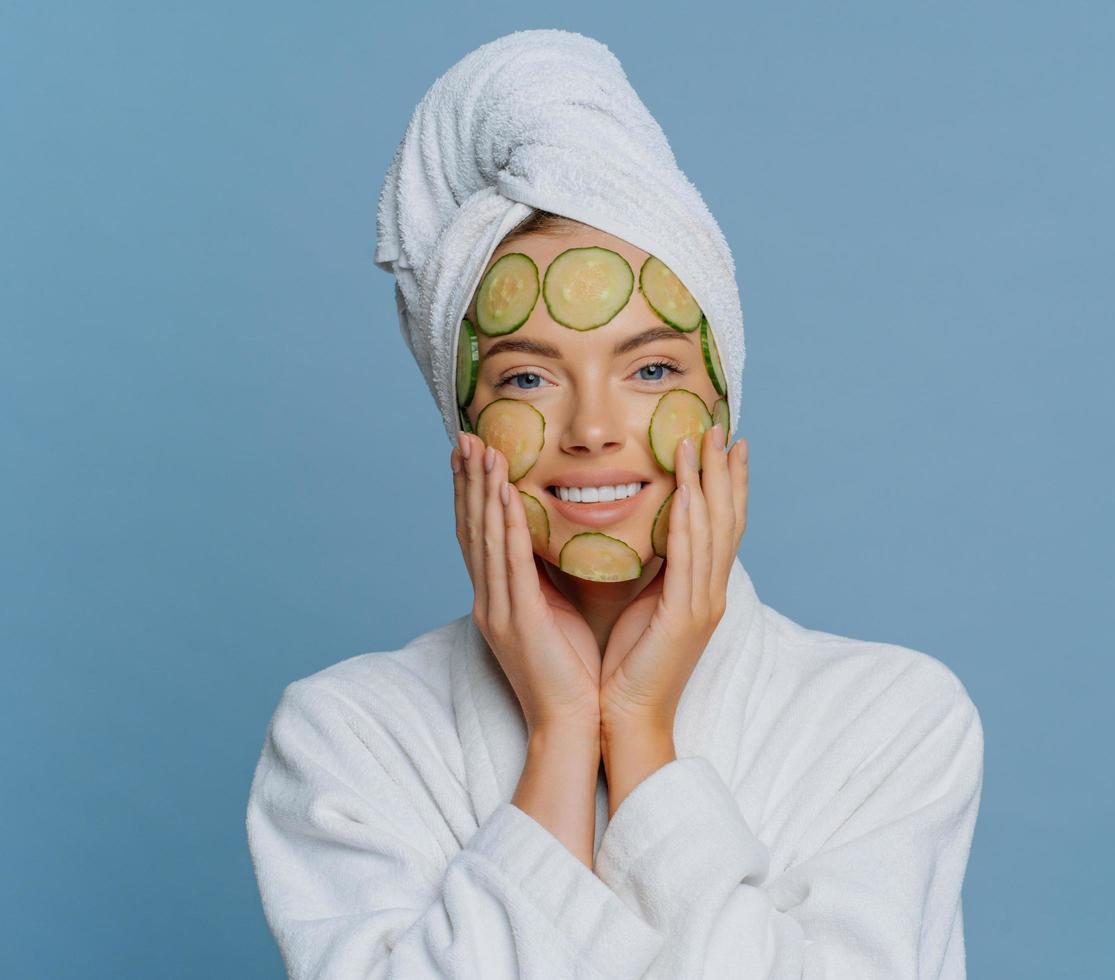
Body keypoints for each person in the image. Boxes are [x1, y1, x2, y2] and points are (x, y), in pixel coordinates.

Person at [246, 30, 984, 979]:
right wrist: (558, 734)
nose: (593, 428)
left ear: (723, 399)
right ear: (460, 424)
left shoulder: (890, 722)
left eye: (650, 368)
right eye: (525, 380)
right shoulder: (347, 736)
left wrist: (640, 729)